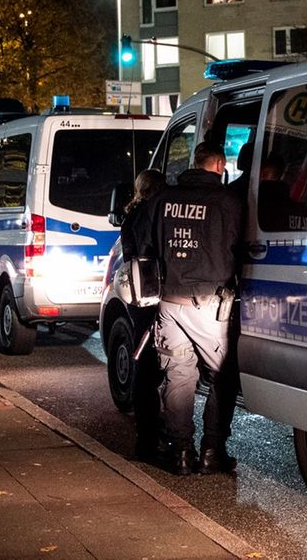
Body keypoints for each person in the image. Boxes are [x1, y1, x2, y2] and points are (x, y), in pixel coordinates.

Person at [143, 142, 244, 476]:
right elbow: (242, 248)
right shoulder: (228, 202)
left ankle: (181, 452)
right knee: (223, 376)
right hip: (209, 305)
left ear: (195, 162)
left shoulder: (162, 199)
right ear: (219, 165)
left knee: (178, 375)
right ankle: (212, 450)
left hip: (170, 303)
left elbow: (145, 244)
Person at [119, 168, 166, 460]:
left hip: (139, 295)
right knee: (150, 366)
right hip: (152, 293)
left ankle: (147, 434)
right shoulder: (151, 214)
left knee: (145, 363)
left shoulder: (132, 215)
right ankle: (150, 438)